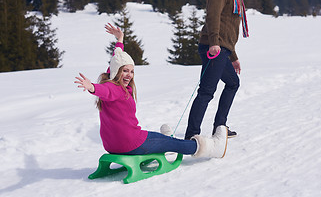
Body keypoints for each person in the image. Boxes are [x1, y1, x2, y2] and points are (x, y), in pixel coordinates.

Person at [74, 23, 228, 158]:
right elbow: (104, 90)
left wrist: (119, 40)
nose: (129, 75)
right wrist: (92, 87)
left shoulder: (111, 77)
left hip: (111, 145)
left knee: (162, 139)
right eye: (125, 71)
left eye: (132, 71)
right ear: (117, 71)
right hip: (131, 143)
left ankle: (166, 145)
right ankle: (213, 148)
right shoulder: (115, 89)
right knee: (174, 143)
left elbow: (117, 57)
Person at [184, 0, 252, 140]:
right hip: (213, 47)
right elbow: (212, 17)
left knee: (232, 83)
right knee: (206, 91)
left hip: (223, 49)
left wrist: (233, 57)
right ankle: (192, 134)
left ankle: (220, 127)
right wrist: (214, 43)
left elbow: (229, 30)